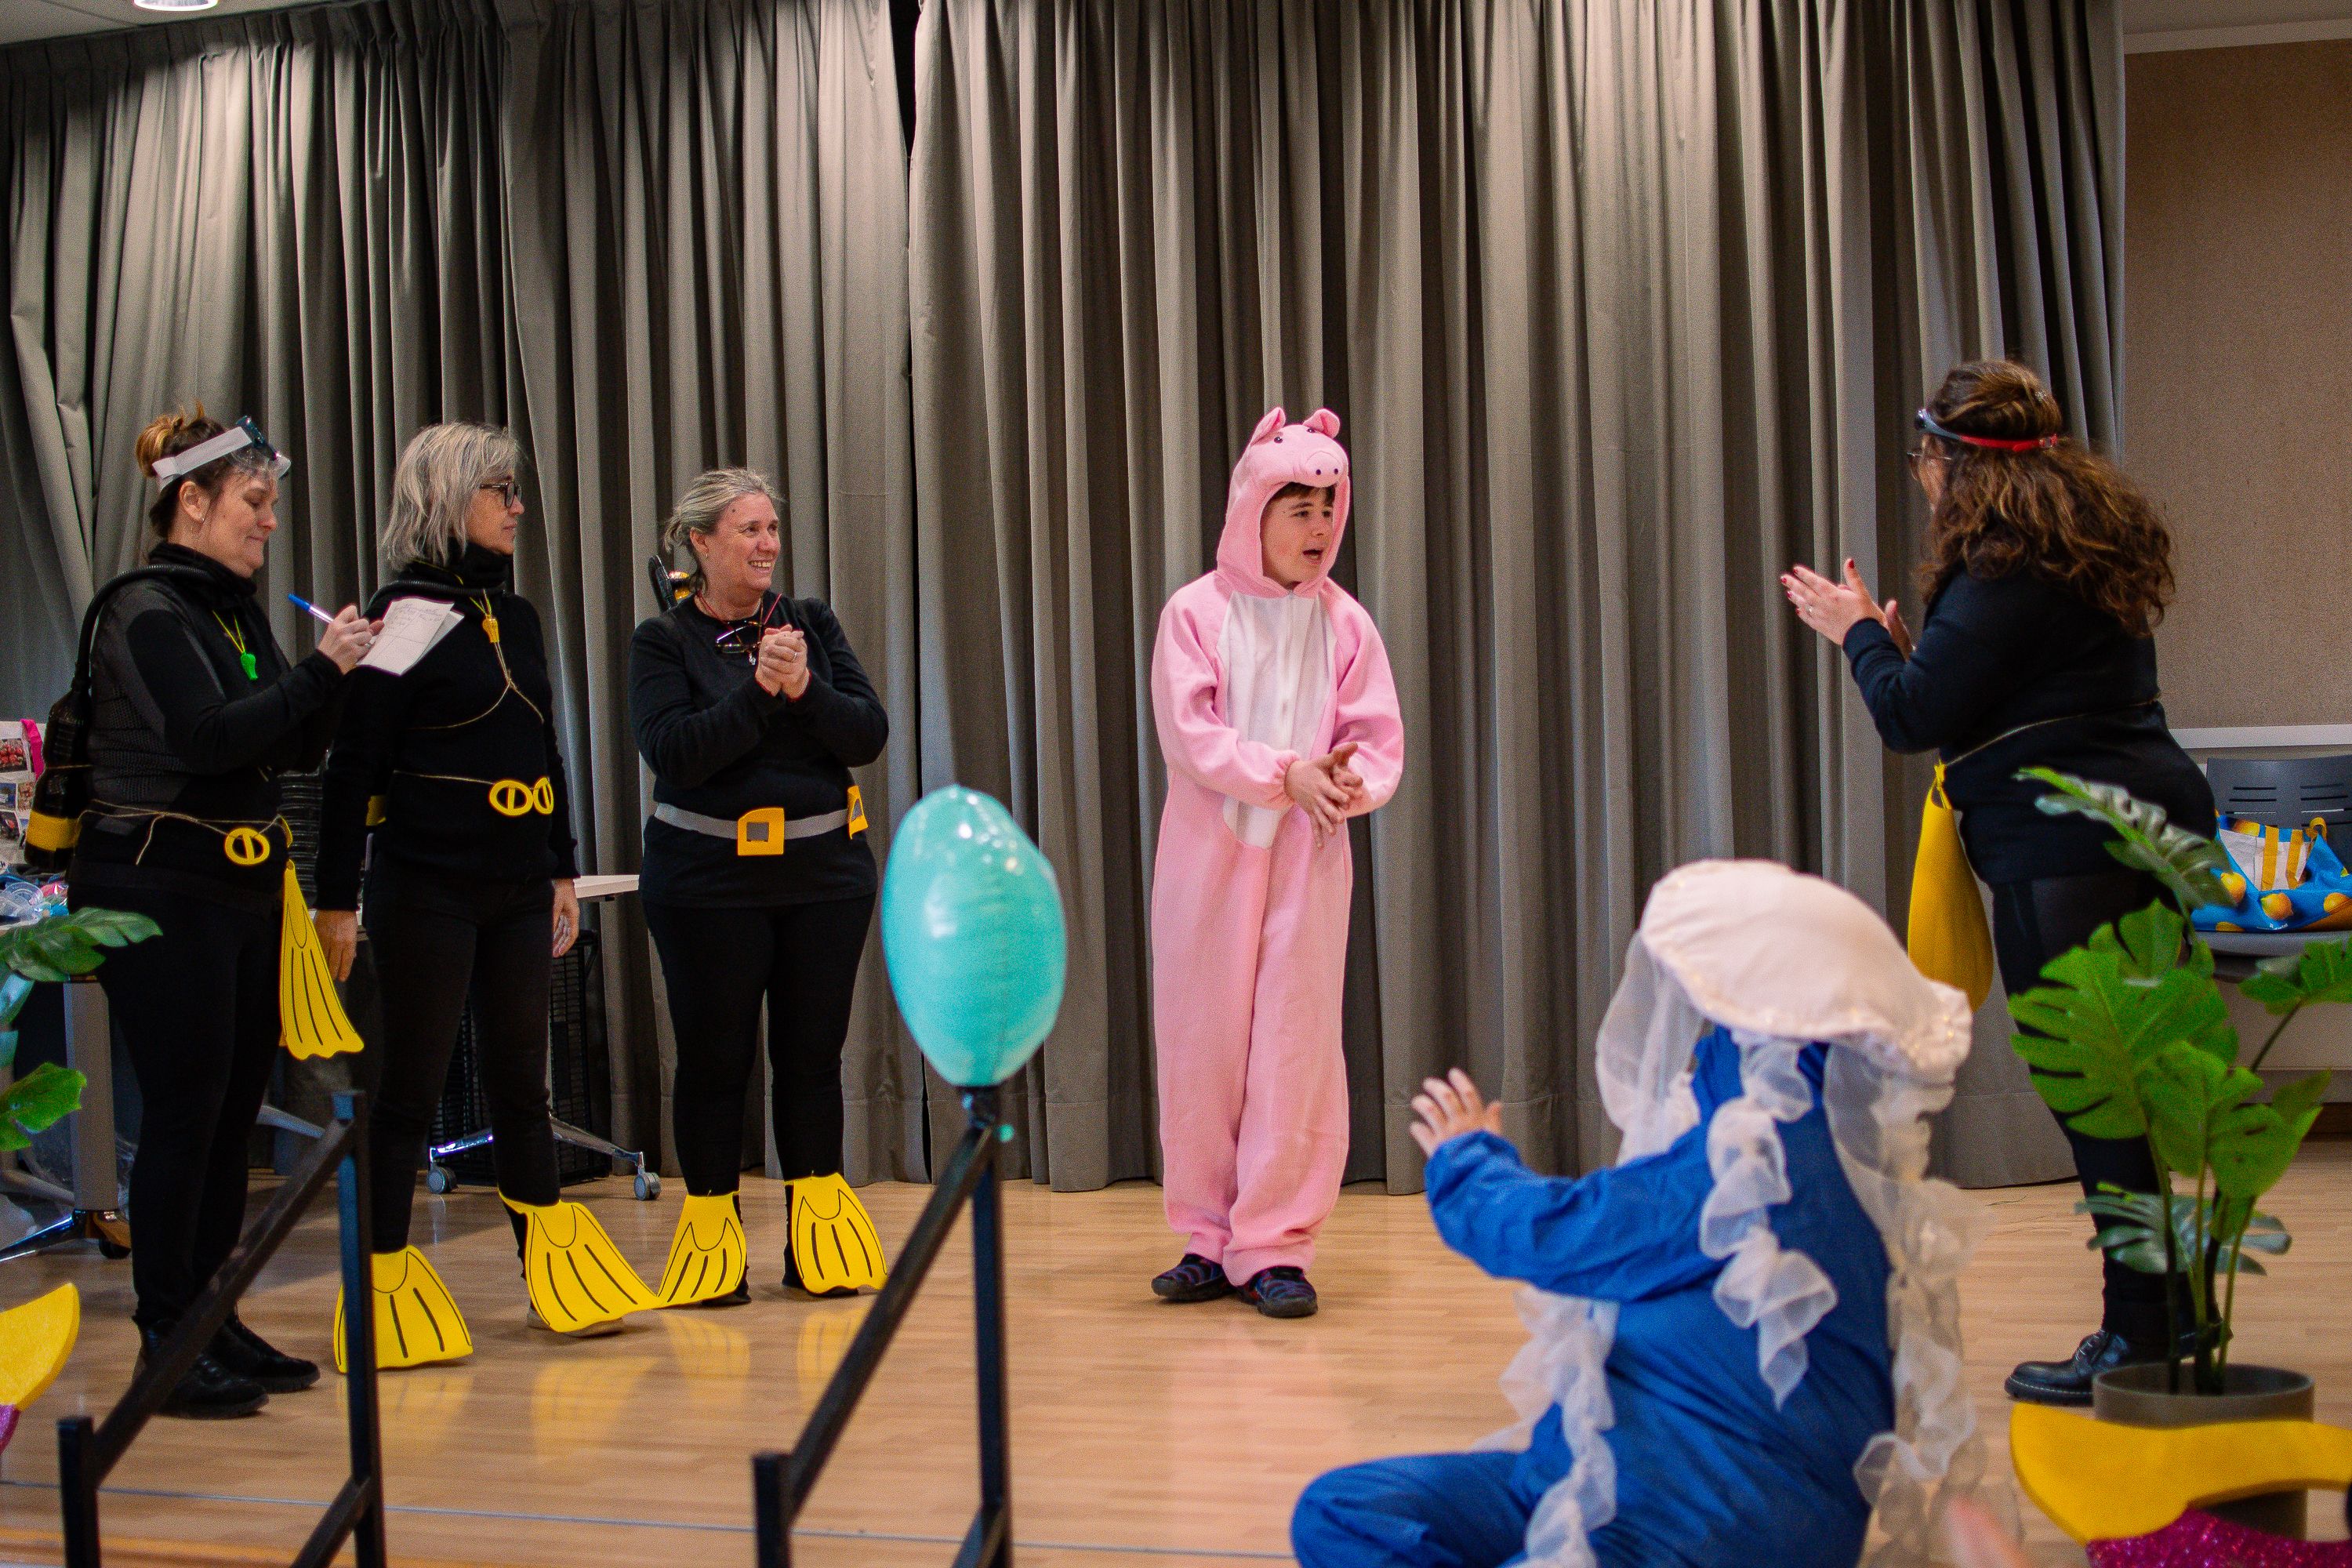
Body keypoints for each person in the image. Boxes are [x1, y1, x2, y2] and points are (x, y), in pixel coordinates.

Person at [1292, 860, 1991, 1568]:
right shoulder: (1829, 1145)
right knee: (1347, 1509)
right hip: (1604, 1477)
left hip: (1708, 1526)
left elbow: (1556, 1233)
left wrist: (1466, 1158)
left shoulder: (1766, 1160)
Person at [1782, 359, 2215, 1405]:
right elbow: (1976, 693)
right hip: (2131, 833)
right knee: (2124, 1093)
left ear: (1955, 464)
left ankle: (2142, 1338)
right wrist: (1895, 643)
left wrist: (1858, 639)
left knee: (2095, 1098)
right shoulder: (2076, 545)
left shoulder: (2003, 569)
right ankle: (2176, 1314)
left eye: (1927, 462)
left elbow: (1915, 718)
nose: (1924, 482)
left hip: (2069, 851)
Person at [315, 423, 646, 1364]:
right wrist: (337, 897)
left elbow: (545, 748)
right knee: (409, 1089)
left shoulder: (523, 617)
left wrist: (562, 870)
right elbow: (352, 769)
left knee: (522, 1084)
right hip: (425, 885)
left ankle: (551, 1265)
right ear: (446, 497)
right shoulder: (398, 614)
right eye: (499, 489)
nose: (516, 505)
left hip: (513, 884)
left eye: (515, 489)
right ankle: (380, 1278)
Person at [73, 408, 374, 1416]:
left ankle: (213, 1309)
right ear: (190, 502)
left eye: (272, 502)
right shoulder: (146, 609)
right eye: (254, 501)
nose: (270, 521)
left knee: (231, 1114)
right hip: (158, 889)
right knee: (186, 1111)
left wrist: (335, 678)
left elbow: (285, 750)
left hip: (237, 890)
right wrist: (317, 671)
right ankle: (167, 1333)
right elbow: (205, 738)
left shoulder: (231, 610)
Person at [1147, 405, 1404, 1319]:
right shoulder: (1195, 613)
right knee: (1201, 1044)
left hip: (1306, 860)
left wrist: (1341, 783)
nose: (1320, 527)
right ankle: (1209, 1236)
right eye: (1299, 507)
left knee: (1292, 1046)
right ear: (1252, 509)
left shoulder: (1346, 623)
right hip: (1206, 863)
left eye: (1329, 506)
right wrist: (1282, 772)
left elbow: (1377, 741)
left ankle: (1276, 1244)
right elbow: (1192, 735)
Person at [630, 467, 890, 1305]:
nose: (768, 544)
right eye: (748, 530)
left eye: (773, 528)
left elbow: (868, 732)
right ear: (700, 543)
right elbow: (677, 753)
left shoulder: (810, 623)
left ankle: (818, 1238)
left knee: (812, 1059)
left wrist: (805, 686)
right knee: (714, 1062)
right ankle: (711, 1239)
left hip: (824, 880)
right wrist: (757, 692)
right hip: (707, 885)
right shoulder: (661, 641)